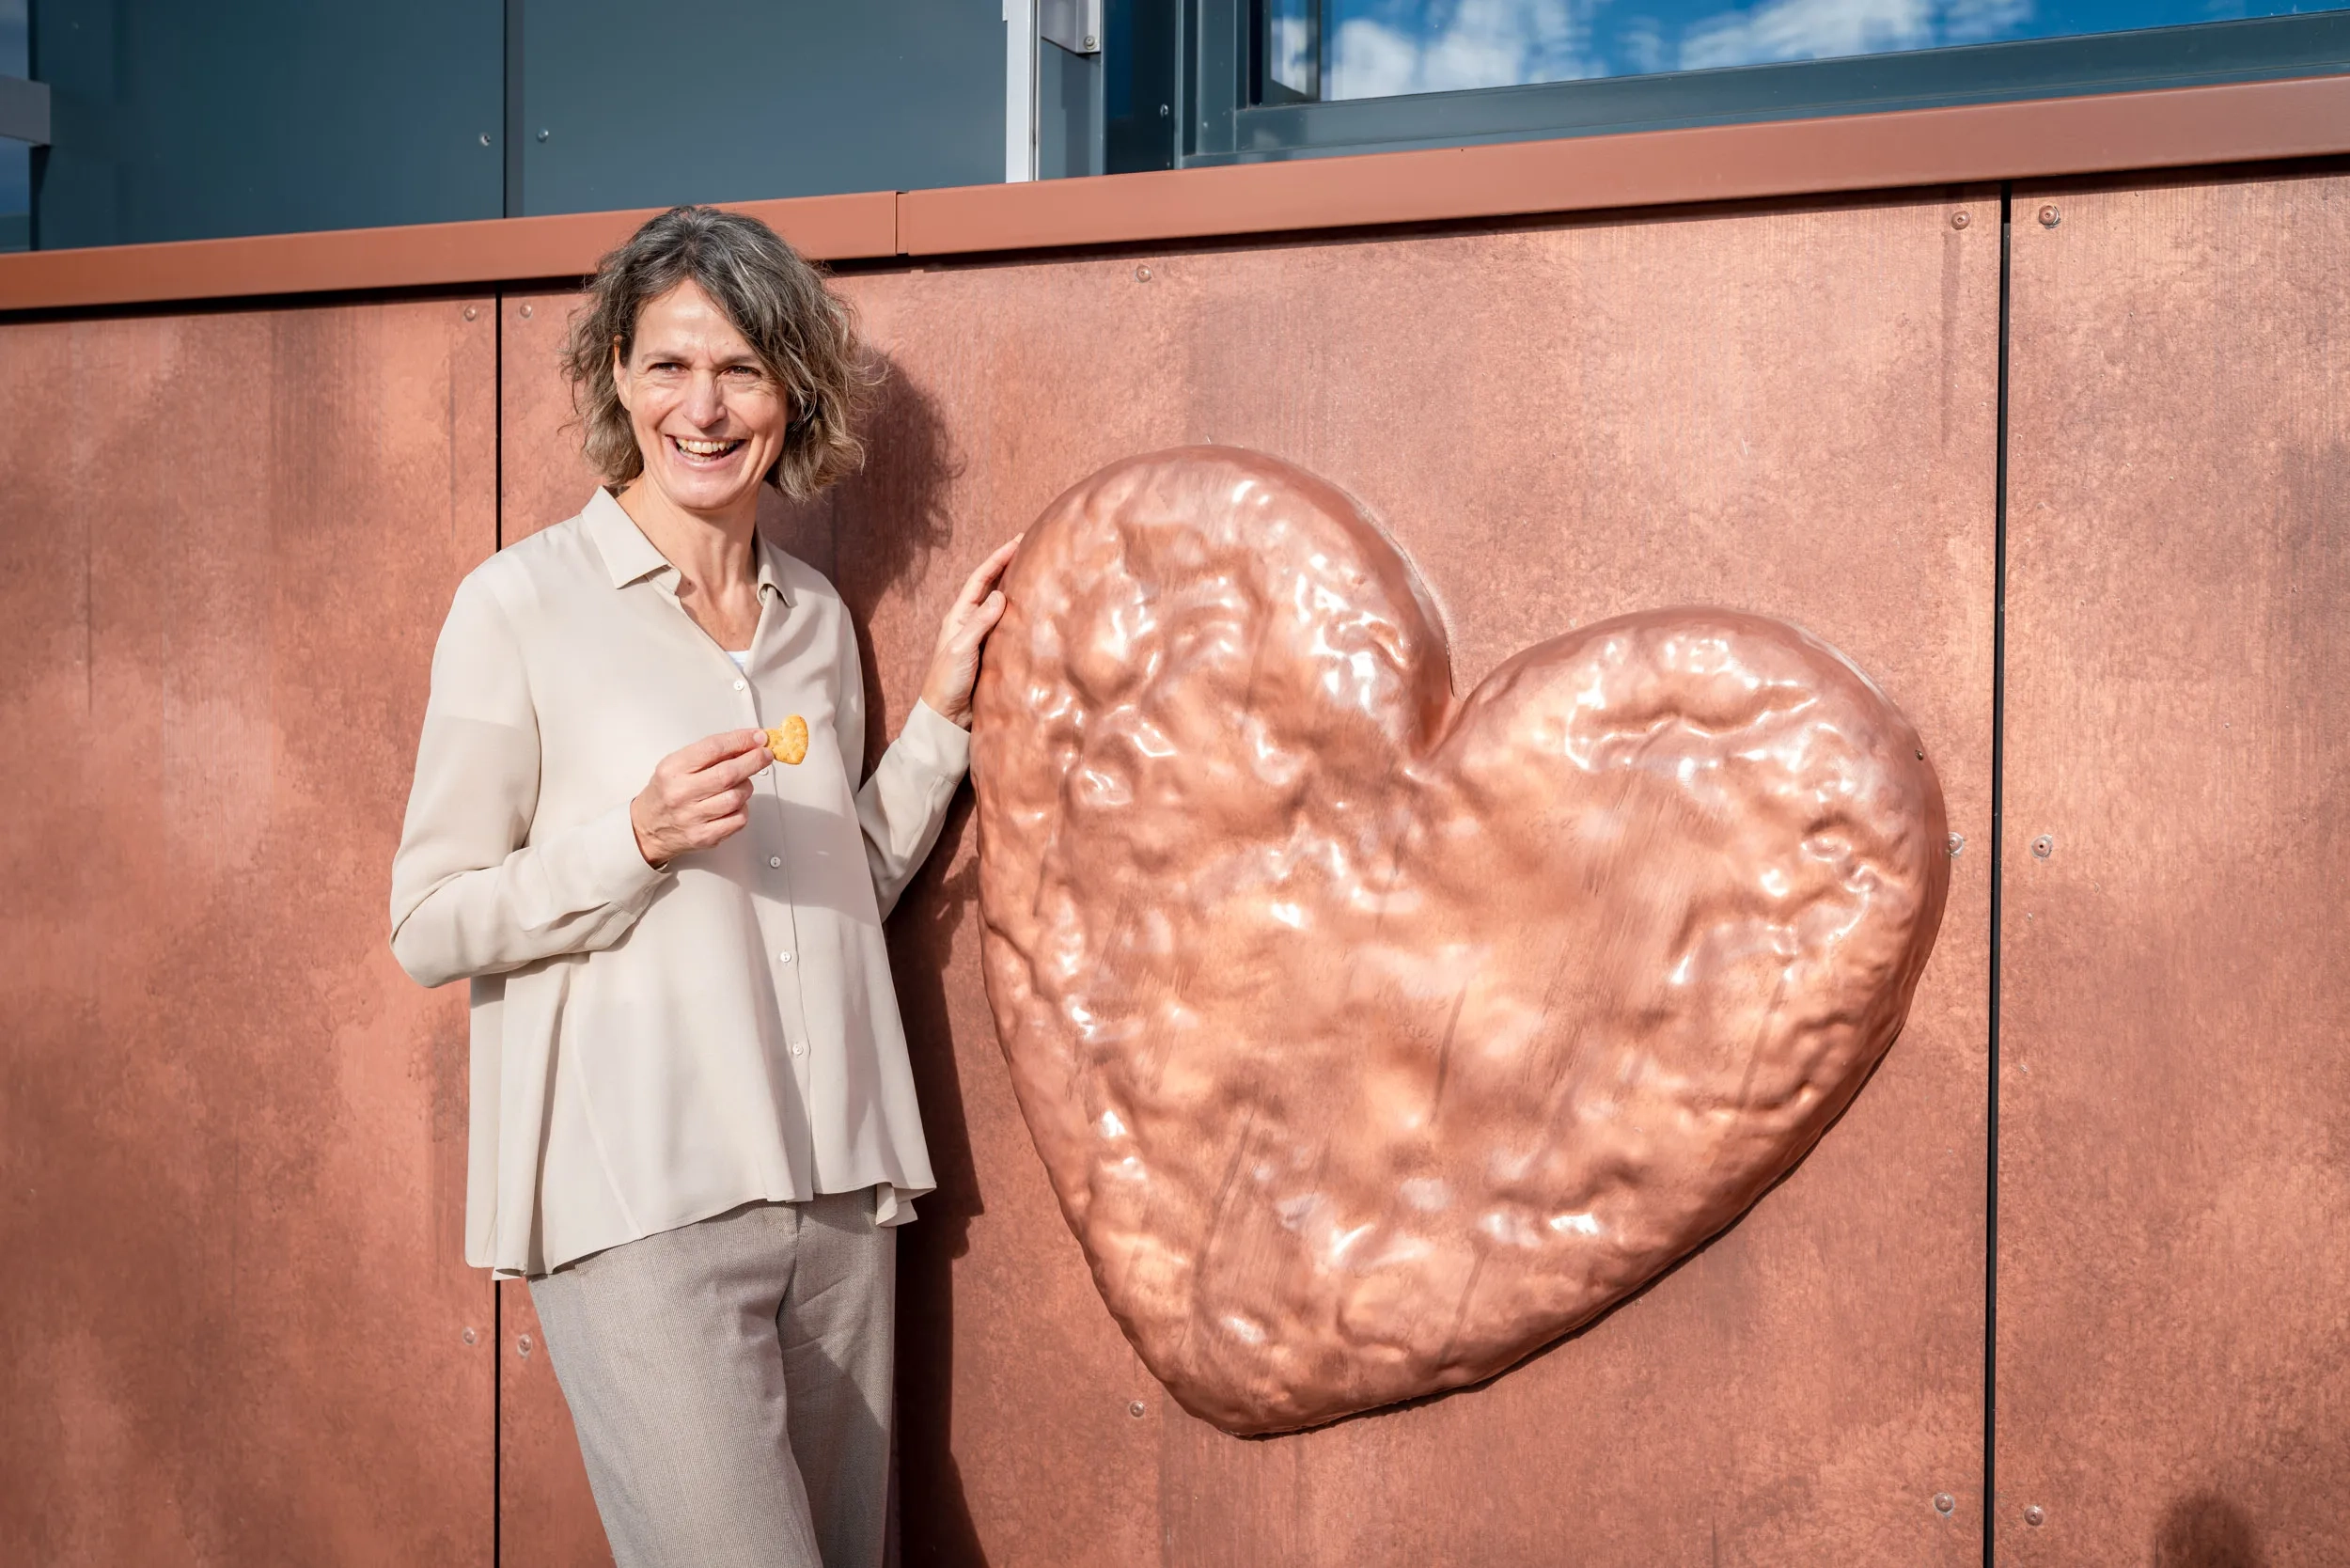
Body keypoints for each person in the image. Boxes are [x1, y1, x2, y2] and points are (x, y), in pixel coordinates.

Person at [388, 204, 1016, 1568]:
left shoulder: (815, 622)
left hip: (837, 1198)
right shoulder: (518, 606)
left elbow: (839, 882)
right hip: (637, 1205)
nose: (705, 407)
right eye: (669, 364)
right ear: (617, 376)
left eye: (741, 368)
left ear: (792, 392)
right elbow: (430, 922)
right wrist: (635, 837)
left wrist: (943, 720)